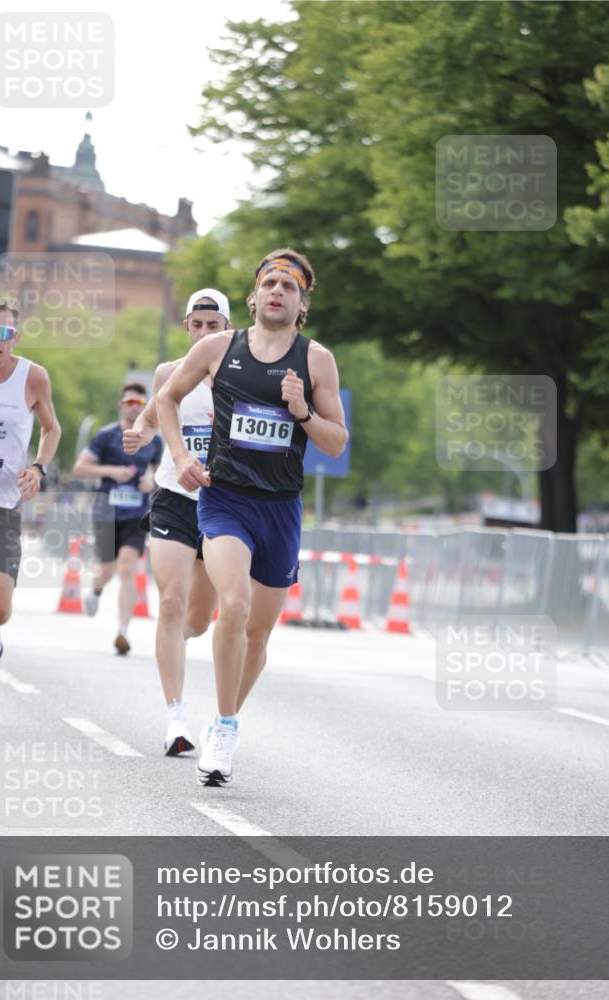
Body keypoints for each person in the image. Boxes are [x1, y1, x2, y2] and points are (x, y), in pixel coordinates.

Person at [156, 249, 348, 785]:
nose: (278, 291)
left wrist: (303, 411)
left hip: (280, 508)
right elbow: (167, 398)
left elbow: (336, 442)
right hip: (225, 499)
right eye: (270, 283)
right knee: (233, 605)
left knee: (258, 635)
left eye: (289, 286)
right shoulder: (220, 347)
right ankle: (223, 729)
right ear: (254, 295)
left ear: (302, 302)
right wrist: (181, 457)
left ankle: (225, 719)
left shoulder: (316, 362)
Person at [123, 290, 228, 756]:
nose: (204, 333)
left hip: (223, 503)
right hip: (174, 495)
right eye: (197, 324)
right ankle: (175, 718)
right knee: (170, 601)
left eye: (213, 324)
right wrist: (138, 434)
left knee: (199, 620)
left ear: (228, 326)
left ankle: (178, 642)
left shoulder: (244, 375)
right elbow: (148, 419)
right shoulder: (169, 373)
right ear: (186, 326)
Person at [0, 299, 61, 718]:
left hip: (1, 507)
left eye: (5, 334)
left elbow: (51, 428)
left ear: (15, 339)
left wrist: (38, 468)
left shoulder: (32, 377)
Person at [73, 383, 162, 655]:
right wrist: (113, 471)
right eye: (130, 402)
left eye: (140, 403)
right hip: (106, 512)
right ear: (121, 406)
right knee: (108, 569)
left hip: (136, 514)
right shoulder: (106, 436)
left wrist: (152, 481)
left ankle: (123, 630)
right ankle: (97, 589)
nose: (135, 407)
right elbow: (79, 468)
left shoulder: (154, 440)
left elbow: (162, 475)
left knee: (127, 568)